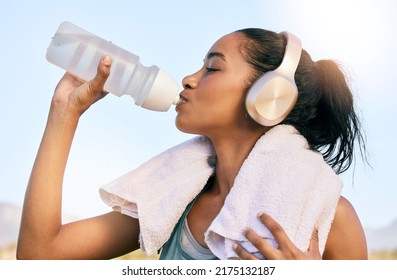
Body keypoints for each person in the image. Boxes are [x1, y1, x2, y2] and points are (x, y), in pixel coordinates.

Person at [17, 28, 367, 260]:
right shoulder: (173, 200)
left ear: (269, 97)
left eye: (212, 68)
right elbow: (39, 256)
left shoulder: (332, 218)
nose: (188, 78)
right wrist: (65, 112)